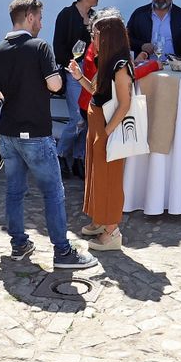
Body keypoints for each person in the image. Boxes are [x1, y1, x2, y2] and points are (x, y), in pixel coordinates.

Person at [0, 0, 101, 270]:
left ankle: (19, 244)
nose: (41, 22)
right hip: (36, 132)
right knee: (53, 192)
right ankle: (62, 252)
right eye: (39, 17)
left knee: (14, 191)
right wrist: (58, 78)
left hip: (7, 134)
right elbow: (53, 85)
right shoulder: (40, 47)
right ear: (28, 17)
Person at [69, 14, 132, 252]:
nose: (92, 38)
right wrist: (79, 77)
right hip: (97, 125)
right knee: (96, 175)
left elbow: (124, 104)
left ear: (107, 36)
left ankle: (112, 231)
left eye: (95, 34)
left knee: (110, 180)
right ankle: (99, 220)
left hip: (108, 128)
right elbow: (95, 90)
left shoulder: (120, 65)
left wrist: (106, 132)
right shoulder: (106, 60)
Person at [52, 0, 99, 178]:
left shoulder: (96, 17)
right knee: (77, 118)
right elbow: (59, 46)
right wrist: (69, 66)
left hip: (91, 71)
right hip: (73, 70)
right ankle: (60, 154)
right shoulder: (66, 15)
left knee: (88, 117)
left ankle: (79, 158)